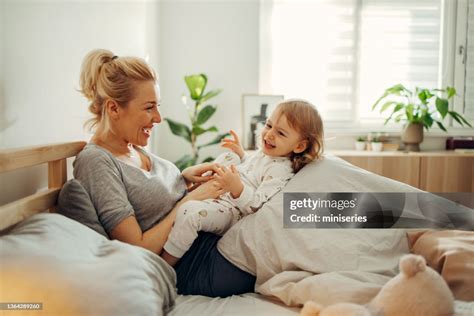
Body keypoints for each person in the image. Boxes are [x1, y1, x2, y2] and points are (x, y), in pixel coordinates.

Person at [74, 49, 224, 255]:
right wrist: (190, 201)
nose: (158, 118)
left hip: (218, 233)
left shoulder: (133, 147)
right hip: (201, 258)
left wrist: (184, 180)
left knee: (280, 186)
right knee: (279, 210)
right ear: (114, 109)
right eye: (149, 108)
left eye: (157, 106)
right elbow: (137, 247)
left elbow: (157, 202)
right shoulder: (95, 161)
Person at [161, 100, 324, 266]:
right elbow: (252, 171)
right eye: (268, 125)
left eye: (281, 133)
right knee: (230, 157)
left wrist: (236, 188)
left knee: (190, 213)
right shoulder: (267, 154)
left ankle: (165, 265)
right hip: (222, 194)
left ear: (299, 146)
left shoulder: (280, 171)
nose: (269, 135)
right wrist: (242, 155)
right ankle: (197, 189)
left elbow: (256, 206)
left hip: (232, 211)